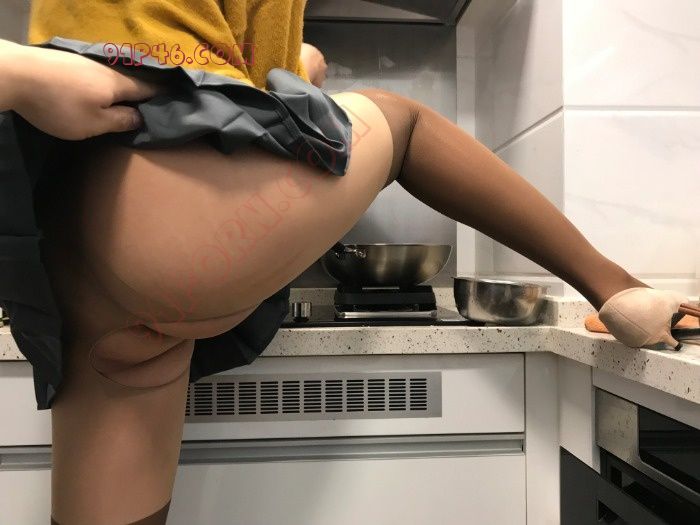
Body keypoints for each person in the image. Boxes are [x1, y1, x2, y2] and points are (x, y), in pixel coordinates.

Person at [0, 1, 694, 523]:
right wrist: (18, 70)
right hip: (164, 192)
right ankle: (619, 289)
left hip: (74, 237)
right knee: (402, 121)